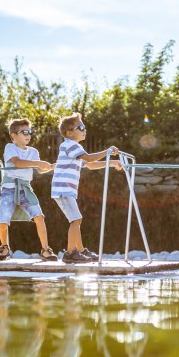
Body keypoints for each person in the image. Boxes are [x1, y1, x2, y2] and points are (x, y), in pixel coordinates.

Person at [51, 112, 123, 263]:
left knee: (76, 220)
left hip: (66, 190)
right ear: (69, 132)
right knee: (76, 219)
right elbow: (90, 158)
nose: (84, 130)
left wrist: (111, 162)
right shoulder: (69, 145)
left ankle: (81, 251)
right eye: (81, 127)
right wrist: (108, 152)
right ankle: (70, 253)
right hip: (63, 189)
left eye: (84, 127)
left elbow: (90, 164)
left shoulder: (75, 147)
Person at [0, 118, 57, 261]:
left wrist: (47, 167)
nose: (28, 135)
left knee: (39, 217)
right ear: (14, 135)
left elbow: (38, 169)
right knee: (2, 221)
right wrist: (39, 163)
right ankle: (4, 247)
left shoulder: (34, 152)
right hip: (8, 189)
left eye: (30, 132)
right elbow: (18, 162)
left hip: (26, 189)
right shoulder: (9, 147)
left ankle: (46, 250)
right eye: (24, 132)